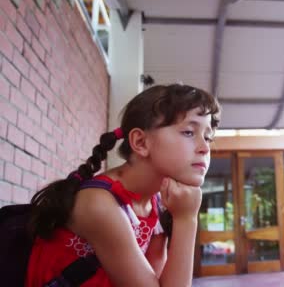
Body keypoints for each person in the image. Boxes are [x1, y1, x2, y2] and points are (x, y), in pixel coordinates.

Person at [25, 84, 220, 286]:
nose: (205, 148)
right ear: (141, 142)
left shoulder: (157, 202)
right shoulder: (99, 203)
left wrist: (183, 218)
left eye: (208, 137)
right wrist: (186, 219)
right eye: (189, 132)